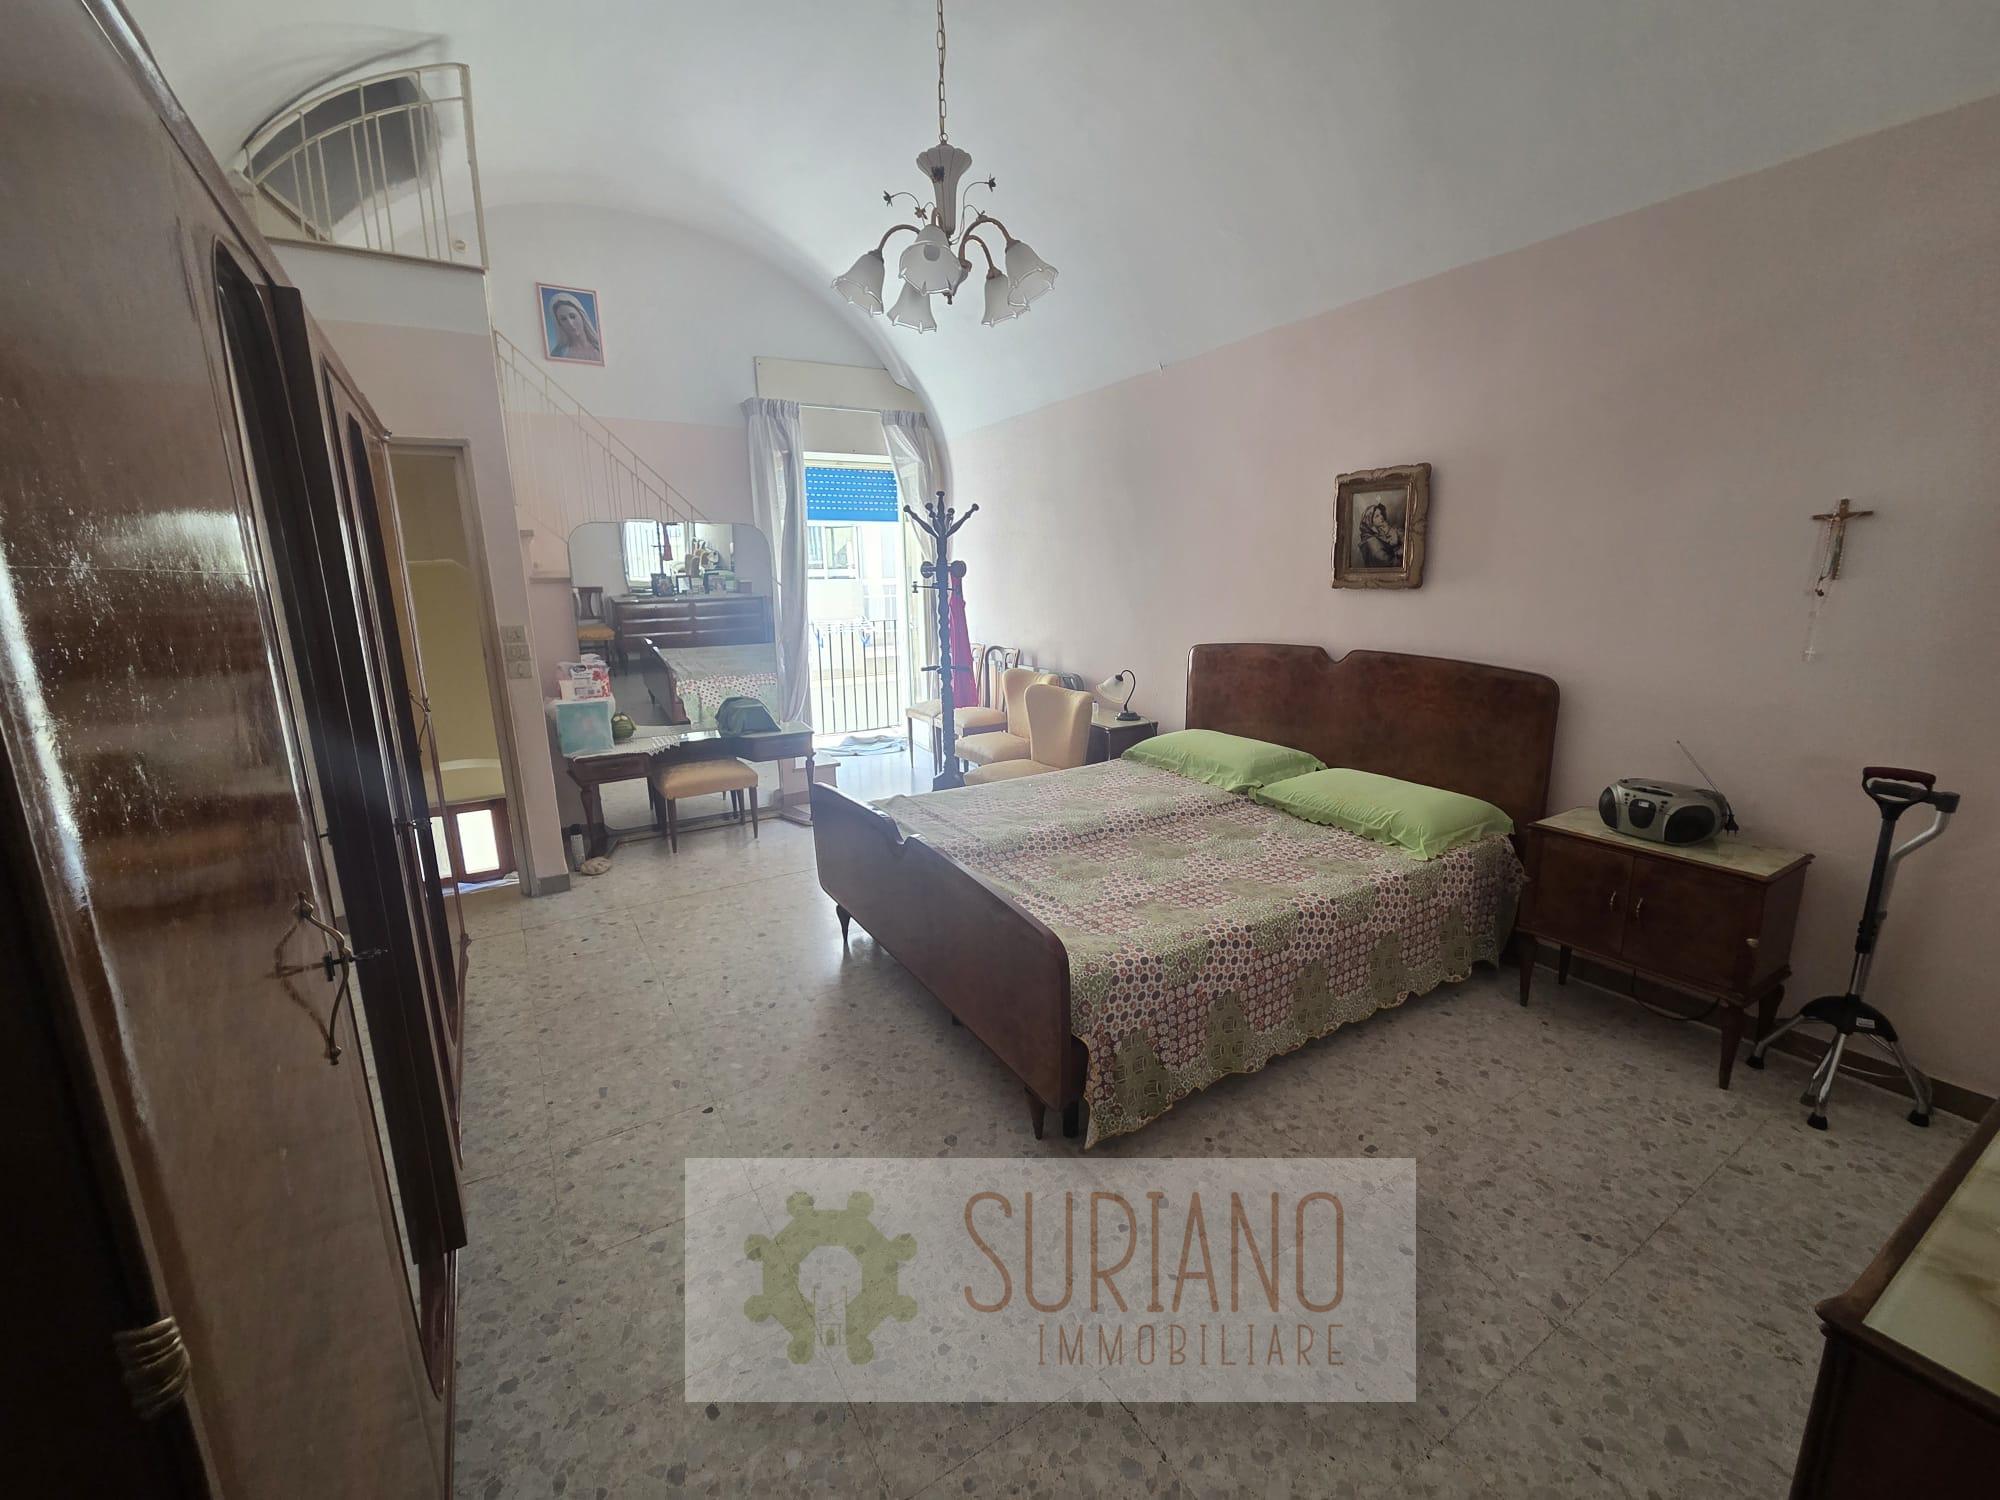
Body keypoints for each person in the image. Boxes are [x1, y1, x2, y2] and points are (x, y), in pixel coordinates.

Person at [546, 291, 602, 361]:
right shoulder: (557, 354)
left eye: (572, 316)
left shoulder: (600, 348)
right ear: (560, 324)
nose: (570, 323)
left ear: (582, 316)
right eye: (563, 319)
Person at [1356, 500, 1403, 568]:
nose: (1381, 517)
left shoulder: (1380, 533)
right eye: (1377, 516)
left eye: (1381, 514)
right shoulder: (1371, 541)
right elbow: (1388, 563)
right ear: (1370, 521)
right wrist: (1398, 552)